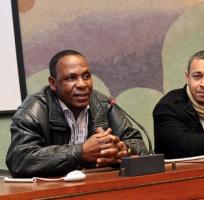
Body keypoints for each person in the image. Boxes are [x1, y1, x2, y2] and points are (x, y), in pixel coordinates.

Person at [6, 50, 148, 178]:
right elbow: (19, 160)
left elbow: (140, 147)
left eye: (86, 76)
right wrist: (80, 152)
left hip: (97, 187)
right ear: (53, 83)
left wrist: (124, 150)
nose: (82, 84)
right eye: (71, 78)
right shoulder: (34, 109)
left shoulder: (104, 105)